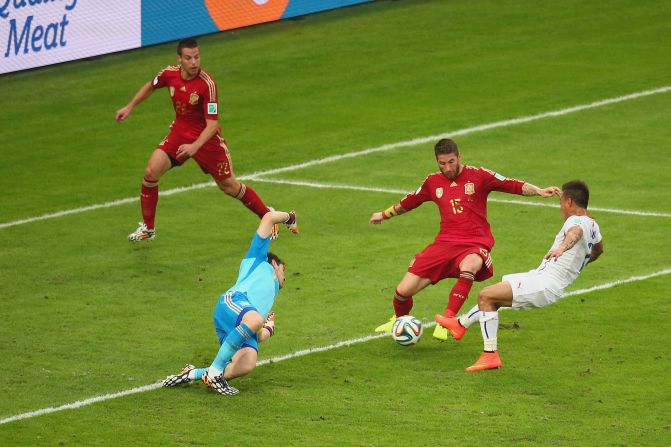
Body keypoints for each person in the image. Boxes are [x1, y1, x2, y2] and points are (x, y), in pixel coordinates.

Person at [370, 138, 560, 340]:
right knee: (402, 291)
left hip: (475, 242)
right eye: (442, 163)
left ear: (459, 157)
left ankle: (447, 320)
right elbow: (410, 201)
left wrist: (538, 190)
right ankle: (400, 321)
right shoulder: (432, 182)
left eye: (451, 161)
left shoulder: (479, 176)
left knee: (469, 266)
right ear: (437, 161)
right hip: (444, 243)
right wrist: (384, 214)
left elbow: (511, 184)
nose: (448, 167)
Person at [115, 38, 292, 241]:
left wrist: (195, 146)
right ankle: (149, 228)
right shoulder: (168, 74)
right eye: (189, 58)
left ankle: (267, 215)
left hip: (207, 142)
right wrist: (129, 107)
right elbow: (151, 86)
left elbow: (212, 124)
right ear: (179, 59)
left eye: (197, 57)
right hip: (180, 134)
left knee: (229, 186)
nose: (194, 62)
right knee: (151, 172)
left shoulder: (207, 84)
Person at [437, 180, 603, 371]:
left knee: (486, 295)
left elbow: (574, 234)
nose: (561, 208)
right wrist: (580, 262)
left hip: (545, 283)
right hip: (542, 279)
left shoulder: (576, 221)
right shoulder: (593, 225)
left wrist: (562, 248)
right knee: (495, 297)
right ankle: (460, 324)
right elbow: (598, 250)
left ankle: (490, 355)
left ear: (569, 202)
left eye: (561, 203)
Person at [162, 209, 298, 395]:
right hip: (232, 302)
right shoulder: (258, 260)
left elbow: (253, 334)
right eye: (284, 270)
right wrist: (289, 218)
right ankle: (216, 372)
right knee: (255, 320)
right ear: (274, 265)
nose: (285, 277)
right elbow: (269, 218)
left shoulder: (267, 301)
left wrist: (268, 330)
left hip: (242, 318)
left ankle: (193, 373)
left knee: (247, 364)